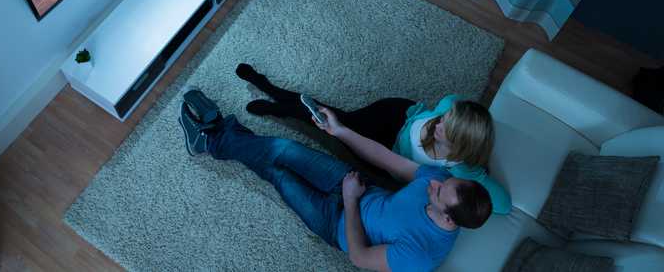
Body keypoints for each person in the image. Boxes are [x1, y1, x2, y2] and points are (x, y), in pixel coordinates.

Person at [177, 89, 493, 272]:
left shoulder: (420, 256)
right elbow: (386, 159)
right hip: (355, 184)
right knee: (284, 149)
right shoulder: (440, 178)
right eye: (441, 183)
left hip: (334, 223)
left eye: (439, 192)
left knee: (278, 173)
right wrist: (340, 131)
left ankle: (212, 137)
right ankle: (217, 137)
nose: (433, 185)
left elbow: (360, 257)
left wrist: (352, 200)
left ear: (447, 217)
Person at [233, 63, 512, 214]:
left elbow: (503, 204)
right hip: (395, 115)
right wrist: (463, 118)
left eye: (446, 128)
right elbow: (452, 100)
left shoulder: (462, 170)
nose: (439, 122)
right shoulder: (448, 108)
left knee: (332, 127)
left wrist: (477, 175)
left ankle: (276, 107)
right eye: (444, 117)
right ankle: (268, 86)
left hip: (389, 151)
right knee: (332, 117)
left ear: (460, 147)